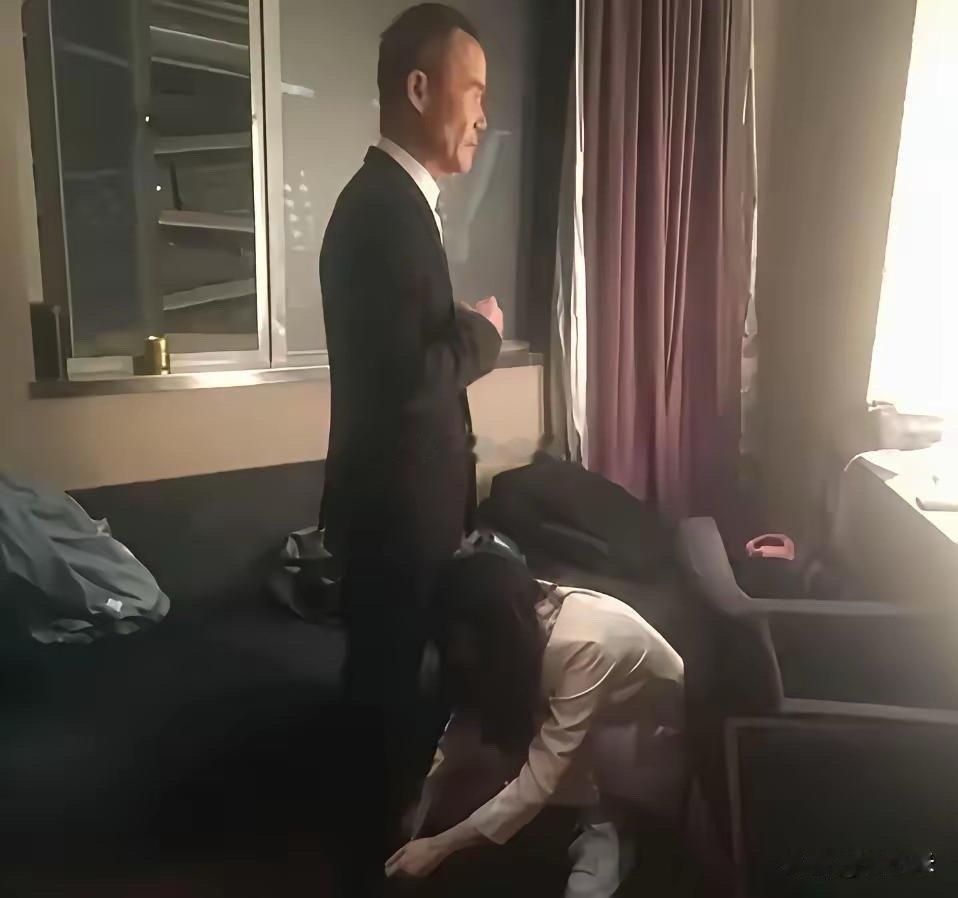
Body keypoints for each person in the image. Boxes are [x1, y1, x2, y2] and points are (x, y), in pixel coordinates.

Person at [318, 4, 503, 893]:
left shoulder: (395, 205)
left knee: (390, 687)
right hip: (394, 516)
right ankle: (370, 858)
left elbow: (401, 361)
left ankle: (384, 828)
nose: (482, 116)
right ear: (420, 89)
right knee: (384, 699)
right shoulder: (382, 213)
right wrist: (483, 334)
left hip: (401, 507)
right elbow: (409, 379)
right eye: (474, 92)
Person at [385, 553, 686, 897]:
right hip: (605, 716)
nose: (456, 654)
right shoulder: (521, 618)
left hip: (649, 734)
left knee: (583, 835)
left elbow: (540, 779)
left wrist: (440, 846)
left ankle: (608, 837)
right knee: (521, 779)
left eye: (462, 641)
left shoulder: (582, 646)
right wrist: (423, 811)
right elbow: (461, 731)